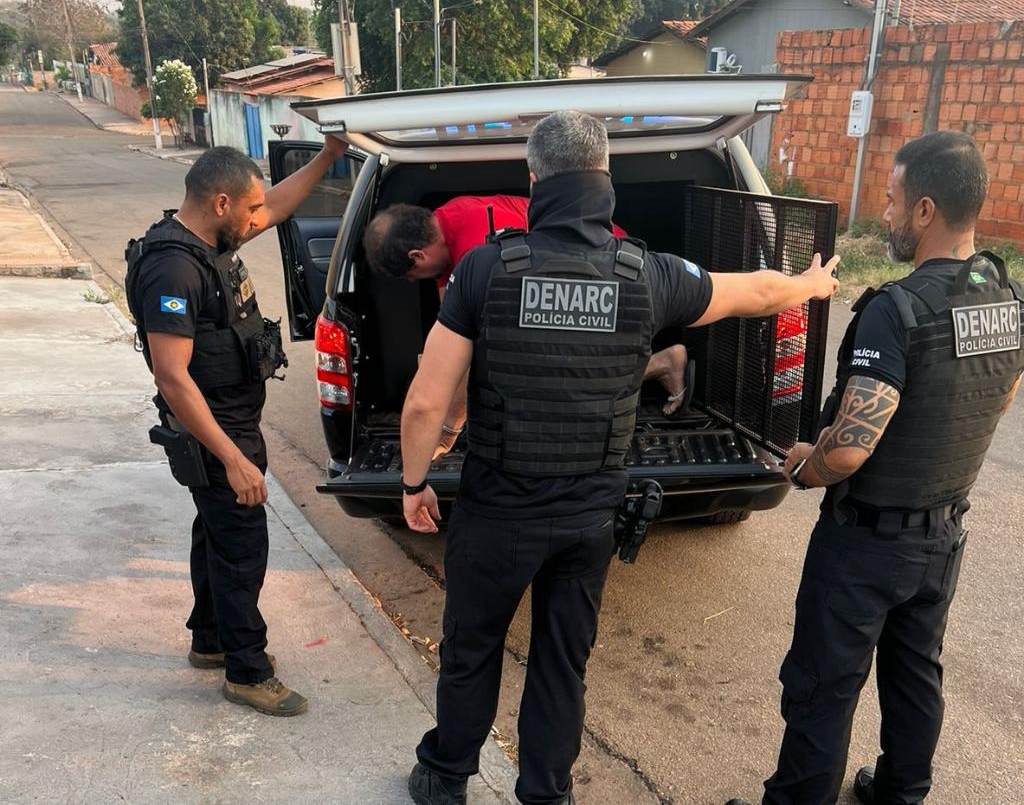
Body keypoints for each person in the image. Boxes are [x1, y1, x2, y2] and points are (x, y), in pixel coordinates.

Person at [399, 110, 840, 805]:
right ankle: (547, 793)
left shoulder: (485, 268)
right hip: (589, 517)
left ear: (534, 179)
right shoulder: (648, 274)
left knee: (471, 649)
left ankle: (445, 776)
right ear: (605, 175)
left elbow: (426, 403)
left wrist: (414, 482)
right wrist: (811, 286)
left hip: (498, 512)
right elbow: (754, 291)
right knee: (561, 664)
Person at [726, 132, 1024, 805]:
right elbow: (1001, 395)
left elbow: (850, 448)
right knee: (915, 674)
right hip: (943, 535)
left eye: (891, 200)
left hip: (865, 544)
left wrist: (805, 467)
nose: (884, 214)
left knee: (823, 686)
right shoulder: (1006, 297)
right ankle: (900, 792)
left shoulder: (898, 309)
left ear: (925, 209)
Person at [124, 140, 349, 716]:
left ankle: (211, 639)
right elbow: (173, 377)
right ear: (221, 203)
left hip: (231, 422)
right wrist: (233, 459)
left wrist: (329, 156)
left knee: (217, 535)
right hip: (214, 433)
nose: (257, 220)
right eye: (249, 209)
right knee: (243, 550)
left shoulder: (210, 238)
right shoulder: (173, 268)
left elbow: (277, 206)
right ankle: (248, 671)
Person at [363, 194, 690, 426]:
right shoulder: (444, 223)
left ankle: (662, 362)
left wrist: (447, 426)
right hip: (562, 282)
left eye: (412, 276)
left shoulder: (476, 246)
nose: (416, 281)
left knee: (540, 372)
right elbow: (450, 330)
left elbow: (470, 350)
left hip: (609, 281)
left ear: (418, 256)